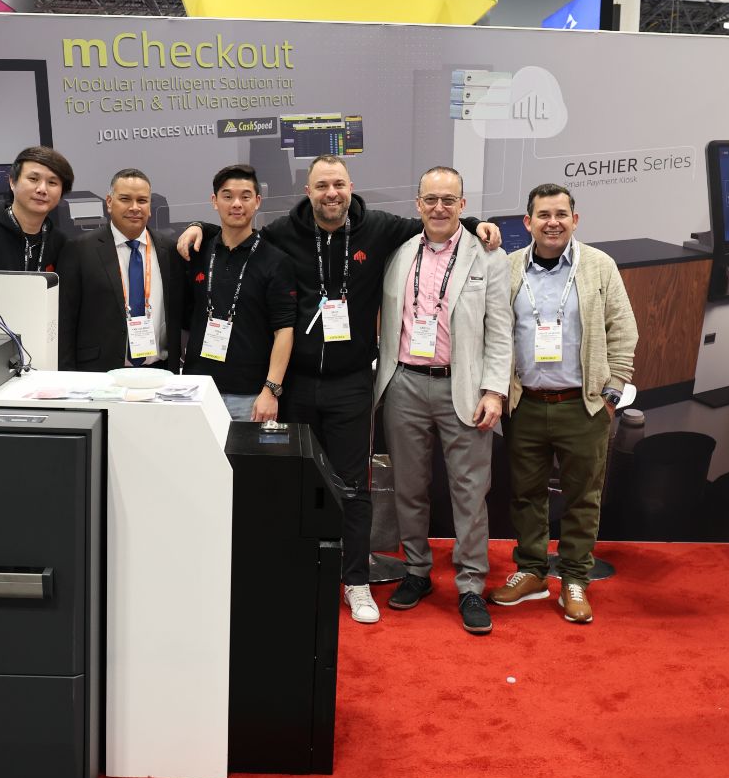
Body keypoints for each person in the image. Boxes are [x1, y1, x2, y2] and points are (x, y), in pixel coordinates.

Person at [179, 156, 501, 625]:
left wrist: (475, 223)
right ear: (307, 192)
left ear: (351, 188)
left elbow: (437, 222)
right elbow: (237, 230)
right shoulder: (282, 234)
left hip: (352, 383)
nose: (331, 193)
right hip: (295, 384)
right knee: (295, 484)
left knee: (354, 487)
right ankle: (299, 574)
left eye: (339, 185)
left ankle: (356, 581)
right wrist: (200, 227)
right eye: (322, 186)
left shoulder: (381, 229)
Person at [491, 182, 638, 625]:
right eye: (543, 215)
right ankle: (532, 571)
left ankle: (575, 578)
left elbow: (623, 331)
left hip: (583, 405)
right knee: (526, 495)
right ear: (528, 222)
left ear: (575, 220)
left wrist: (611, 394)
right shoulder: (509, 268)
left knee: (582, 497)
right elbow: (495, 333)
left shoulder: (599, 266)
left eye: (560, 214)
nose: (552, 222)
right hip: (526, 404)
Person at [375, 167, 512, 634]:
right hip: (405, 384)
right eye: (430, 199)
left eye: (448, 200)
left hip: (465, 387)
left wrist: (494, 391)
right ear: (418, 204)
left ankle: (470, 584)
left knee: (470, 492)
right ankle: (417, 571)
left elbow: (501, 332)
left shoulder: (489, 257)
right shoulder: (397, 253)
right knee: (409, 487)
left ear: (463, 205)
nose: (439, 208)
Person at [182, 165, 297, 420]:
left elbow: (284, 330)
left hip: (250, 396)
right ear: (214, 201)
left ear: (257, 202)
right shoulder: (197, 253)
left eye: (245, 196)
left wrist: (271, 390)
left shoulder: (275, 261)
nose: (236, 204)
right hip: (198, 389)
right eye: (228, 196)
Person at [59, 167, 184, 373]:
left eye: (142, 200)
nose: (134, 207)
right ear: (109, 202)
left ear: (150, 207)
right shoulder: (80, 249)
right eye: (125, 199)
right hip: (101, 373)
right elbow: (65, 320)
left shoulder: (170, 250)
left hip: (160, 372)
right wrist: (67, 377)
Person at [0, 145, 74, 272]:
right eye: (33, 179)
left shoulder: (60, 243)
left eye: (52, 182)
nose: (42, 189)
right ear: (12, 182)